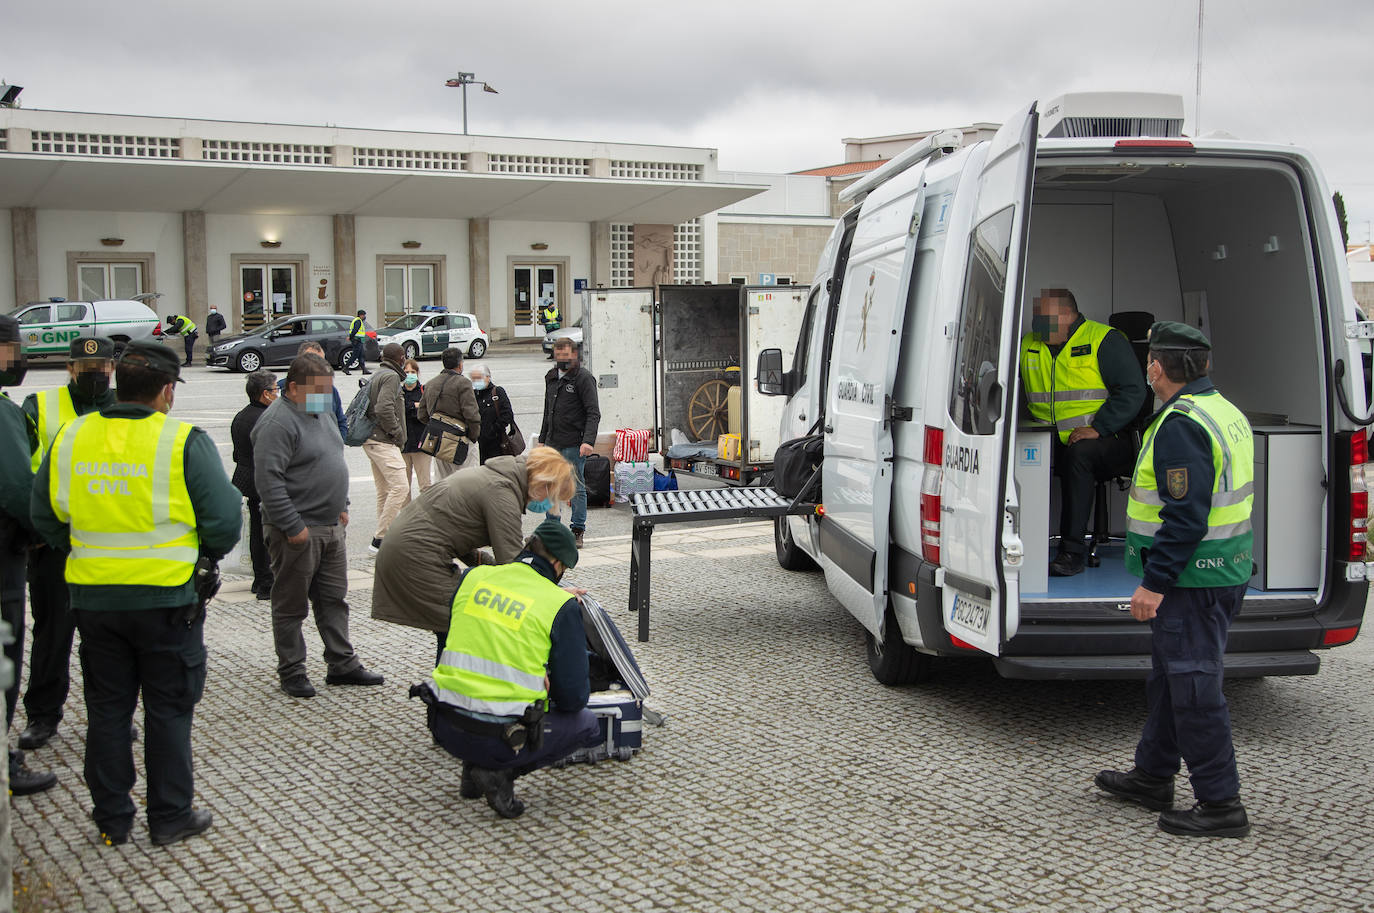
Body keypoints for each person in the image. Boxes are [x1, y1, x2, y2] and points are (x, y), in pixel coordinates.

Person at [31, 340, 242, 846]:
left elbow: (44, 516)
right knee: (168, 710)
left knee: (108, 710)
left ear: (117, 382)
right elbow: (224, 521)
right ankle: (169, 816)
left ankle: (112, 819)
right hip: (167, 602)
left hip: (95, 600)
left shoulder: (71, 436)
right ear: (167, 391)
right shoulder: (181, 440)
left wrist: (83, 548)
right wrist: (199, 557)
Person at [1095, 322, 1255, 839]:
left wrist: (1154, 583)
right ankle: (1152, 777)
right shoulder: (1225, 410)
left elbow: (1186, 516)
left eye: (1149, 363)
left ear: (1157, 368)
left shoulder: (1181, 424)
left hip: (1192, 578)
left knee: (1193, 687)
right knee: (1168, 679)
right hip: (1220, 569)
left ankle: (1221, 803)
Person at [418, 518, 600, 819]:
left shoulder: (473, 577)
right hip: (497, 734)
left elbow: (475, 637)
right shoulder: (558, 604)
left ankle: (471, 768)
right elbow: (573, 698)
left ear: (528, 546)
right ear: (556, 563)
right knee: (586, 724)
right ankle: (498, 773)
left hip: (445, 723)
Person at [252, 352, 384, 698]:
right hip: (297, 530)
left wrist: (342, 504)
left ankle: (341, 664)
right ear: (292, 388)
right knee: (291, 604)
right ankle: (292, 670)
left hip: (330, 525)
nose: (327, 397)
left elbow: (332, 458)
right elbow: (268, 482)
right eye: (319, 390)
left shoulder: (320, 410)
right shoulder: (276, 423)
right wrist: (292, 526)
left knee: (333, 599)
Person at [372, 446, 575, 662]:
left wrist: (483, 562)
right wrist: (555, 596)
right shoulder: (502, 492)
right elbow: (515, 565)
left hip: (409, 547)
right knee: (461, 615)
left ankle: (453, 680)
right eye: (553, 496)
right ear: (543, 483)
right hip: (414, 555)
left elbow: (453, 527)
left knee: (457, 614)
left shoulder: (500, 478)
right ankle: (452, 684)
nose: (551, 503)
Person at [18, 336, 118, 751]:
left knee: (108, 640)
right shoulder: (38, 406)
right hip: (54, 544)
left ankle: (110, 716)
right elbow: (19, 472)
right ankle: (43, 715)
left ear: (112, 369)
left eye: (101, 369)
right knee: (52, 635)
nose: (93, 375)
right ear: (70, 369)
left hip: (109, 545)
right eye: (84, 368)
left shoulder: (126, 407)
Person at [1019, 288, 1145, 577]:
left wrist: (1098, 428)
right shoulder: (1028, 344)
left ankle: (1071, 553)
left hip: (1108, 439)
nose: (1037, 324)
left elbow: (1133, 391)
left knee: (1080, 455)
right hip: (1049, 438)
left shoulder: (1103, 339)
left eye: (1044, 318)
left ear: (1067, 315)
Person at [0, 315, 57, 796]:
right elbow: (19, 489)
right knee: (7, 657)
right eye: (15, 348)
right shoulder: (4, 412)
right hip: (10, 558)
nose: (20, 358)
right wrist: (43, 532)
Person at [538, 337, 601, 549]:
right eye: (559, 355)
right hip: (553, 442)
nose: (562, 359)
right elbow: (548, 411)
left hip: (575, 443)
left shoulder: (583, 378)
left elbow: (593, 412)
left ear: (574, 355)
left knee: (576, 487)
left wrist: (588, 441)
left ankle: (577, 530)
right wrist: (541, 439)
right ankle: (552, 528)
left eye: (566, 355)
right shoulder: (551, 377)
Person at [231, 371, 278, 600]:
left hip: (247, 480)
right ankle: (267, 582)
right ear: (265, 394)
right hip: (265, 481)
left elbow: (236, 453)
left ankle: (260, 579)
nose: (278, 394)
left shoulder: (241, 416)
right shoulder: (267, 418)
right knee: (268, 533)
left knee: (257, 532)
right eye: (275, 390)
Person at [363, 342, 409, 555]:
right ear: (400, 358)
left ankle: (381, 538)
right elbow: (383, 407)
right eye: (404, 357)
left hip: (371, 439)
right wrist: (397, 432)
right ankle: (381, 538)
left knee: (384, 490)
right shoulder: (390, 377)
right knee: (401, 487)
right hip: (383, 440)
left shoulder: (378, 373)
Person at [417, 347, 481, 481]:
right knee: (467, 483)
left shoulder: (431, 383)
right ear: (460, 364)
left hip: (438, 440)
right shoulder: (463, 383)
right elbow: (472, 415)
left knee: (443, 484)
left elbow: (422, 415)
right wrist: (473, 437)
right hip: (461, 440)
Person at [278, 341, 347, 442]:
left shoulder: (330, 390)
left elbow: (340, 420)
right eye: (314, 362)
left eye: (322, 362)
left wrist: (337, 443)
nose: (320, 367)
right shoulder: (281, 389)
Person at [470, 362, 518, 465]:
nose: (475, 381)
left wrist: (493, 430)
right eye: (473, 379)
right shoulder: (473, 395)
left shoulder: (497, 392)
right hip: (480, 443)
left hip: (497, 442)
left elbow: (507, 415)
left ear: (488, 377)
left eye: (478, 378)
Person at [400, 358, 432, 500]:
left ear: (417, 373)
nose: (409, 374)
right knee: (403, 487)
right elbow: (400, 410)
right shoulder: (398, 392)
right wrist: (415, 406)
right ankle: (406, 519)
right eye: (406, 372)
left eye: (412, 372)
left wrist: (413, 407)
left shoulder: (424, 390)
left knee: (425, 485)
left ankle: (426, 518)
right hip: (403, 445)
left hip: (421, 444)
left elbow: (426, 412)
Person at [346, 310, 370, 376]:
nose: (364, 316)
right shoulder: (358, 321)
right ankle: (346, 367)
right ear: (360, 315)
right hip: (356, 340)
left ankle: (364, 369)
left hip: (359, 340)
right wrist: (351, 337)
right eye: (364, 315)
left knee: (361, 355)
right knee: (355, 355)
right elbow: (355, 330)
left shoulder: (359, 321)